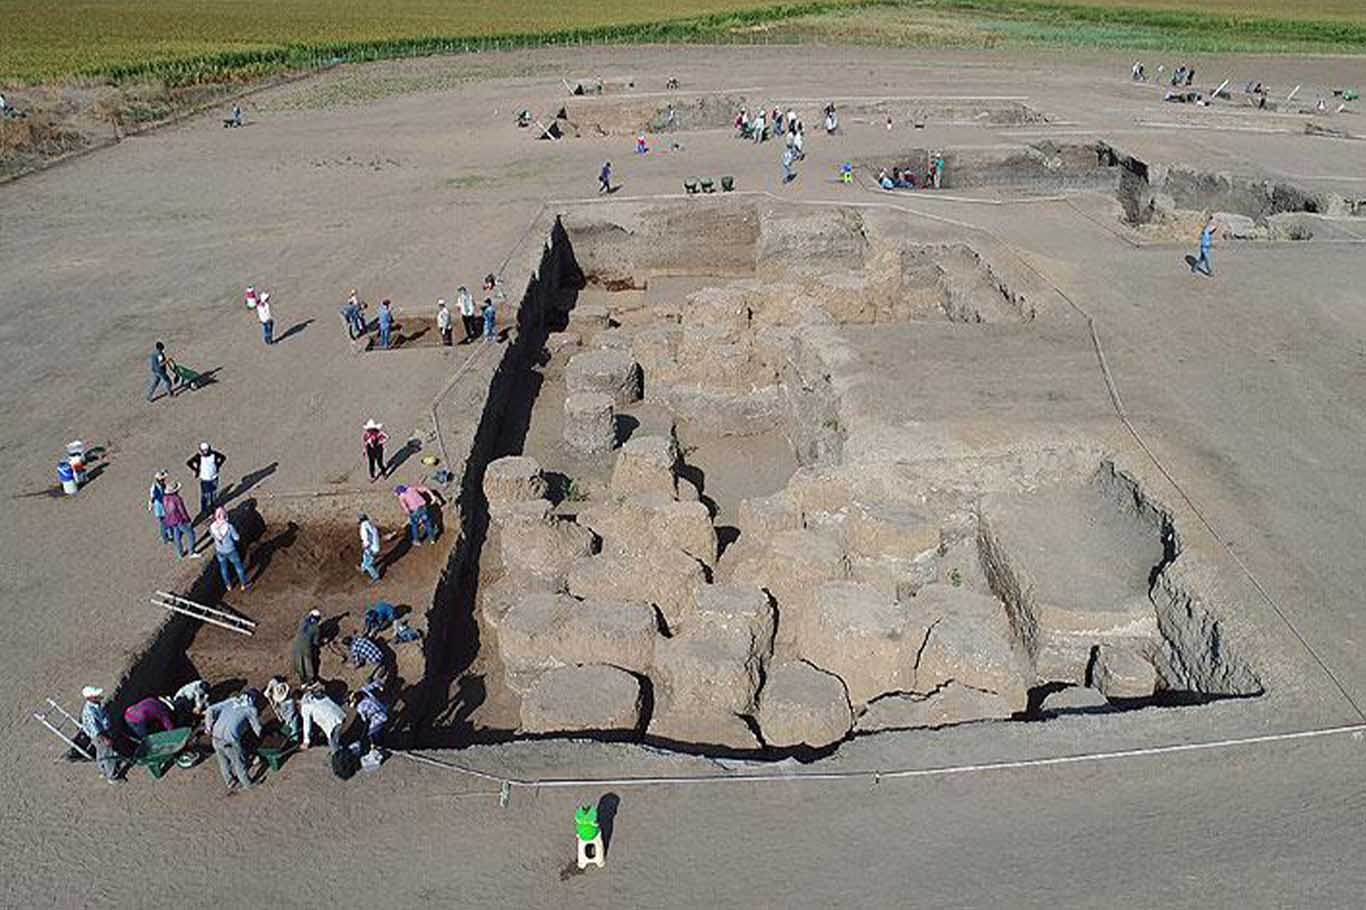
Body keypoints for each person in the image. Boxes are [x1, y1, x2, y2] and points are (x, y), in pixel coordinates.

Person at [204, 691, 262, 792]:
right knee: (239, 762)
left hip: (215, 736)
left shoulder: (231, 702)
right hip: (229, 740)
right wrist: (261, 739)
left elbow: (210, 709)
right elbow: (257, 729)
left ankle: (230, 782)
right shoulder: (251, 709)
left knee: (223, 761)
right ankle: (248, 784)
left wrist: (209, 727)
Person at [80, 686, 123, 783]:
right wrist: (105, 739)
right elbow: (95, 730)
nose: (100, 696)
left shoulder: (96, 705)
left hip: (102, 732)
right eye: (97, 695)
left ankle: (103, 771)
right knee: (108, 754)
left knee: (101, 753)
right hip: (100, 736)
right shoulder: (90, 712)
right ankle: (112, 776)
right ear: (90, 698)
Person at [209, 507, 250, 591]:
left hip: (220, 551)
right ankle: (244, 584)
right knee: (238, 567)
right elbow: (236, 538)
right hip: (231, 550)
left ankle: (228, 585)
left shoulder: (212, 527)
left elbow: (213, 536)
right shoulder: (229, 527)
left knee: (223, 568)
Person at [299, 684, 346, 750]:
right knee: (337, 739)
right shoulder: (314, 695)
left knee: (334, 745)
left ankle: (341, 755)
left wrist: (306, 741)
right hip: (339, 714)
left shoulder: (305, 707)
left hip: (331, 723)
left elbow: (307, 724)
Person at [186, 441, 226, 517]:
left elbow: (223, 457)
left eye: (207, 450)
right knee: (205, 495)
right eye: (204, 450)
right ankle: (204, 510)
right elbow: (189, 462)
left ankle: (212, 507)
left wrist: (217, 466)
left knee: (213, 494)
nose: (205, 452)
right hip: (204, 479)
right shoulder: (198, 457)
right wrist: (196, 470)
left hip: (214, 477)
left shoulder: (214, 454)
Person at [161, 482, 199, 559]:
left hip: (171, 520)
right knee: (191, 534)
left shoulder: (165, 498)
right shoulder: (177, 499)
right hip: (180, 520)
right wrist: (187, 519)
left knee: (177, 537)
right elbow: (182, 511)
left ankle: (180, 554)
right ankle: (192, 552)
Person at [350, 684, 389, 752]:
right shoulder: (364, 690)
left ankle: (378, 744)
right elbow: (374, 684)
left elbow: (365, 719)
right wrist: (380, 687)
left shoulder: (360, 708)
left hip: (379, 719)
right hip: (384, 708)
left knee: (371, 733)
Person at [292, 609, 322, 684]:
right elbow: (315, 643)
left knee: (299, 662)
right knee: (308, 663)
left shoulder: (303, 621)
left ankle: (301, 677)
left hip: (296, 645)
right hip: (306, 648)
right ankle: (310, 680)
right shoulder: (316, 628)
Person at [148, 470, 172, 544]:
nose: (163, 480)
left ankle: (167, 534)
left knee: (165, 521)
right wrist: (150, 506)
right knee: (163, 523)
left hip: (163, 505)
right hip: (160, 507)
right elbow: (152, 498)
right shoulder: (154, 487)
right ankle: (164, 537)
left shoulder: (162, 485)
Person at [358, 512, 382, 583]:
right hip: (375, 545)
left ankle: (376, 578)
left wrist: (365, 545)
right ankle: (363, 568)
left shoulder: (363, 526)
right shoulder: (371, 524)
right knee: (365, 556)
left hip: (371, 548)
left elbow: (366, 537)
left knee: (369, 564)